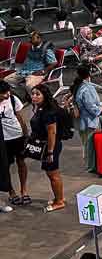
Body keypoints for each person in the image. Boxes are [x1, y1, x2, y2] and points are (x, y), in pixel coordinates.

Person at [29, 85, 65, 212]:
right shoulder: (40, 109)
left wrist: (50, 152)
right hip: (47, 146)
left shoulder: (48, 112)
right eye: (33, 93)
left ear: (44, 96)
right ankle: (58, 198)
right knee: (52, 174)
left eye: (37, 94)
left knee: (53, 174)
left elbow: (52, 133)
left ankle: (59, 201)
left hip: (51, 147)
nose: (34, 96)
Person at [69, 66, 102, 174]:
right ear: (89, 75)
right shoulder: (87, 88)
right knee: (90, 144)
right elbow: (91, 107)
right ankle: (91, 166)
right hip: (89, 121)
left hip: (80, 121)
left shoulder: (77, 86)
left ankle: (88, 164)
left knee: (85, 143)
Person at [0, 80, 28, 208]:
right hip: (3, 140)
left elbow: (20, 117)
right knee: (6, 166)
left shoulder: (12, 99)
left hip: (17, 136)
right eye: (3, 93)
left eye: (7, 92)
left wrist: (25, 134)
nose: (7, 95)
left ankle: (24, 190)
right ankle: (11, 192)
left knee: (21, 162)